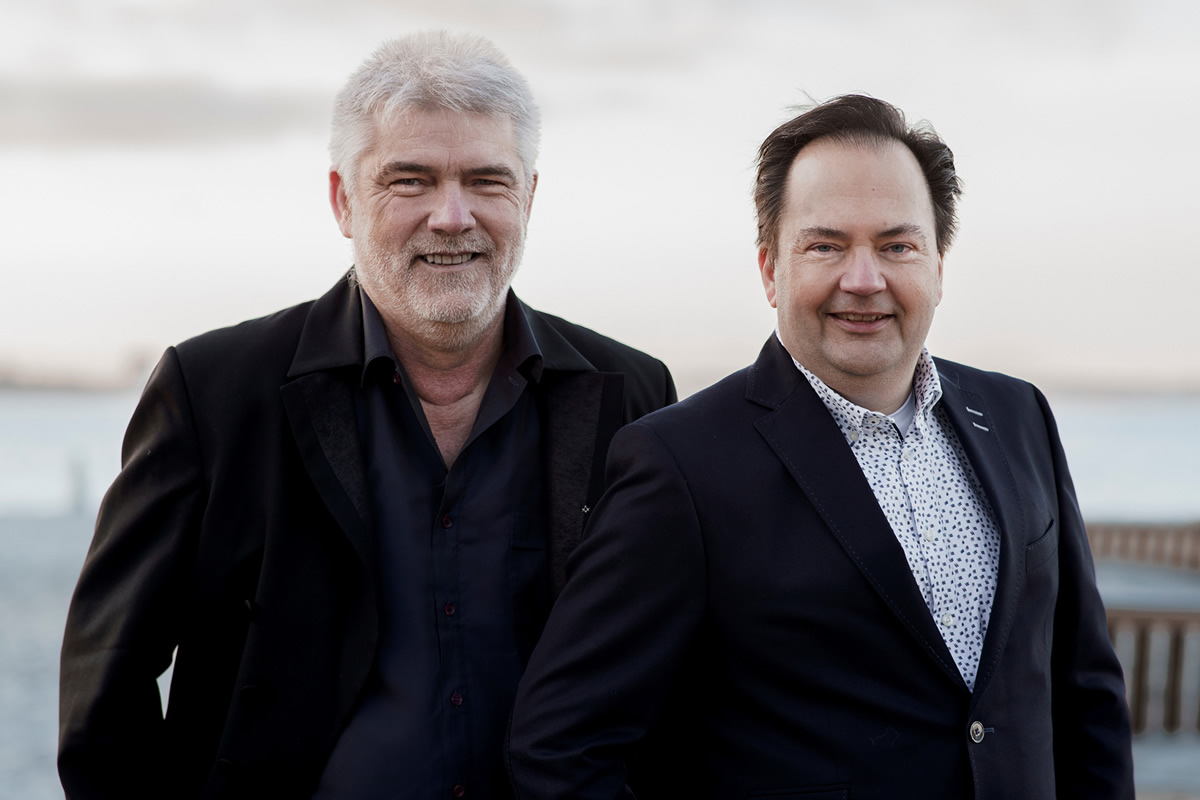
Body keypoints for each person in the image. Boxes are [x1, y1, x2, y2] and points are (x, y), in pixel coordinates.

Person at [58, 31, 676, 800]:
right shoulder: (215, 391)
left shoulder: (631, 394)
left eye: (486, 180)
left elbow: (674, 664)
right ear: (343, 201)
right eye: (410, 181)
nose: (452, 216)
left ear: (529, 198)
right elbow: (105, 687)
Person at [507, 95, 1133, 800]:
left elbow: (1085, 692)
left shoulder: (1019, 415)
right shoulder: (679, 465)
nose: (863, 280)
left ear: (938, 265)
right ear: (770, 270)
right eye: (826, 245)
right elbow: (561, 745)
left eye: (896, 246)